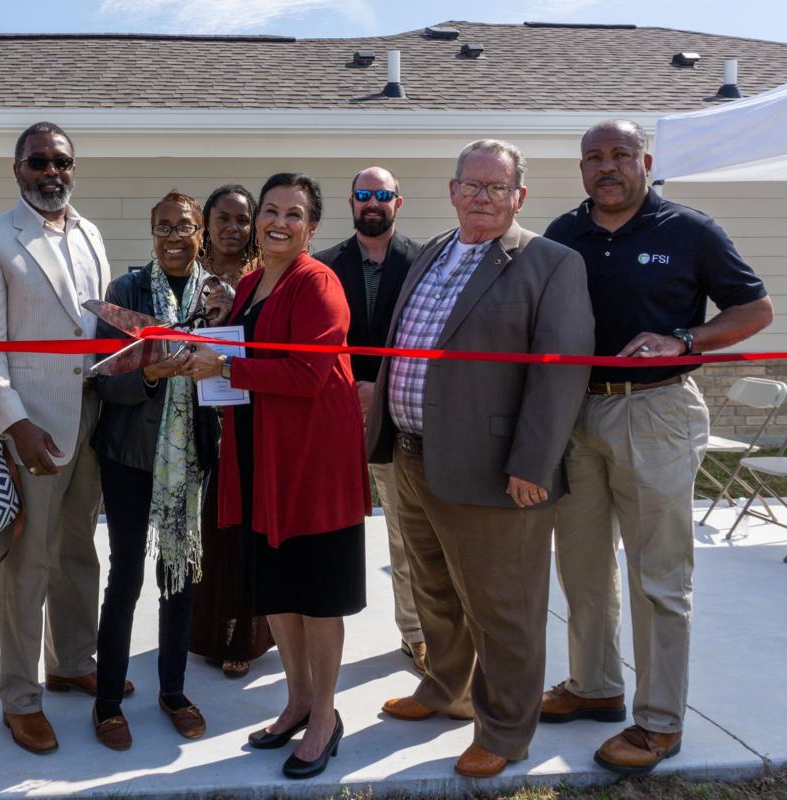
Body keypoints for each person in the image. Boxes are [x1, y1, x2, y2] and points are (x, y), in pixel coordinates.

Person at [541, 120, 772, 776]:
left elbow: (754, 309)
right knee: (582, 568)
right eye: (594, 157)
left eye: (619, 155)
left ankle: (660, 722)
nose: (606, 167)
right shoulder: (563, 235)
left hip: (657, 411)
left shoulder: (689, 230)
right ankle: (594, 686)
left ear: (645, 160)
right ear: (582, 167)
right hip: (577, 413)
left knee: (659, 577)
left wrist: (687, 340)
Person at [366, 139, 594, 779]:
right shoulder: (433, 250)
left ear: (519, 196)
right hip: (412, 455)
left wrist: (534, 463)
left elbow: (559, 375)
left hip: (497, 469)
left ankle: (507, 729)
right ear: (453, 189)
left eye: (498, 188)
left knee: (503, 607)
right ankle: (447, 690)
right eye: (473, 185)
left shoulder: (551, 263)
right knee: (434, 588)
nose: (483, 197)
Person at [183, 173, 370, 780]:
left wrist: (227, 369)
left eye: (294, 213)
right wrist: (218, 331)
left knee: (316, 599)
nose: (278, 222)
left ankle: (325, 718)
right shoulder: (250, 282)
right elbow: (244, 350)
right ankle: (296, 701)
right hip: (262, 459)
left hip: (310, 467)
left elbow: (308, 377)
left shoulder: (318, 282)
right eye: (270, 210)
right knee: (280, 594)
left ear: (313, 226)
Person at [0, 121, 113, 755]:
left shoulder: (92, 232)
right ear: (18, 170)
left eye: (62, 162)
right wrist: (12, 420)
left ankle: (72, 659)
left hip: (95, 416)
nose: (52, 173)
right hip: (34, 426)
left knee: (80, 551)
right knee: (28, 562)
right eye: (38, 162)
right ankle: (21, 697)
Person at [88, 191, 221, 750]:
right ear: (150, 231)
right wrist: (151, 374)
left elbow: (229, 377)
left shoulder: (220, 297)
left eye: (184, 227)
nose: (173, 237)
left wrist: (211, 372)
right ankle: (108, 702)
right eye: (163, 226)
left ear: (200, 235)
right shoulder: (125, 293)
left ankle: (172, 691)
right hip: (128, 455)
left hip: (188, 456)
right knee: (126, 577)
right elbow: (103, 377)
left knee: (178, 575)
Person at [313, 166, 426, 674]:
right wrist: (349, 390)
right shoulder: (323, 266)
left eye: (383, 194)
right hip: (333, 417)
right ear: (351, 202)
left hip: (399, 417)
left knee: (408, 533)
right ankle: (314, 633)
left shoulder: (426, 263)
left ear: (398, 202)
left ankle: (416, 635)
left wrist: (381, 389)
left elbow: (431, 342)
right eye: (364, 194)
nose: (372, 202)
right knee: (324, 531)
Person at [187, 184, 274, 680]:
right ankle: (203, 633)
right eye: (224, 218)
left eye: (243, 220)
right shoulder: (186, 275)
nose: (234, 229)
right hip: (193, 417)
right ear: (206, 222)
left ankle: (246, 636)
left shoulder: (262, 280)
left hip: (248, 419)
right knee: (207, 534)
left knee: (243, 532)